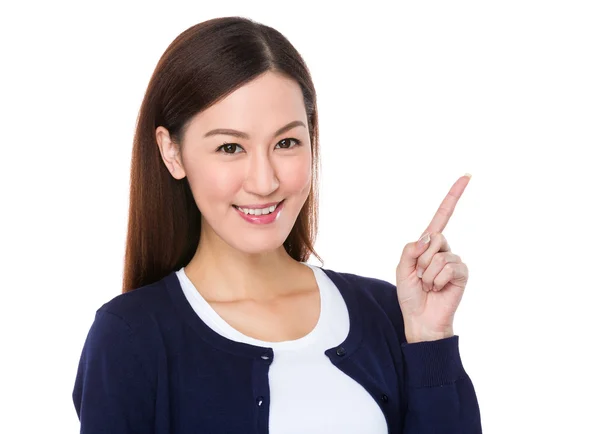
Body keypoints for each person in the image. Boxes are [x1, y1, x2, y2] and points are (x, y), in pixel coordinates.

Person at [72, 16, 482, 433]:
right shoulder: (130, 338)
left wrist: (431, 340)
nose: (265, 182)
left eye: (286, 143)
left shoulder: (389, 314)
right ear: (172, 152)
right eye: (230, 147)